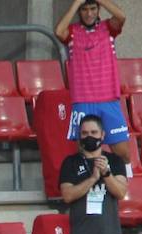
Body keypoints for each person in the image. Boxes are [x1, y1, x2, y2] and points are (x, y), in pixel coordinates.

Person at [60, 114, 128, 234]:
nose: (89, 136)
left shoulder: (114, 161)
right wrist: (92, 179)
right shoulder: (70, 163)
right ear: (79, 136)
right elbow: (67, 195)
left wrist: (106, 174)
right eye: (84, 133)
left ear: (102, 134)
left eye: (93, 132)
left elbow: (121, 192)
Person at [55, 0, 132, 161]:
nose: (89, 13)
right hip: (83, 101)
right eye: (84, 9)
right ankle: (90, 185)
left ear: (98, 10)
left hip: (108, 99)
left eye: (92, 9)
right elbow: (58, 31)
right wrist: (76, 3)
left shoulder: (108, 28)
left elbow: (121, 16)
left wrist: (101, 1)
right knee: (85, 152)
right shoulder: (72, 32)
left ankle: (124, 185)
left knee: (123, 153)